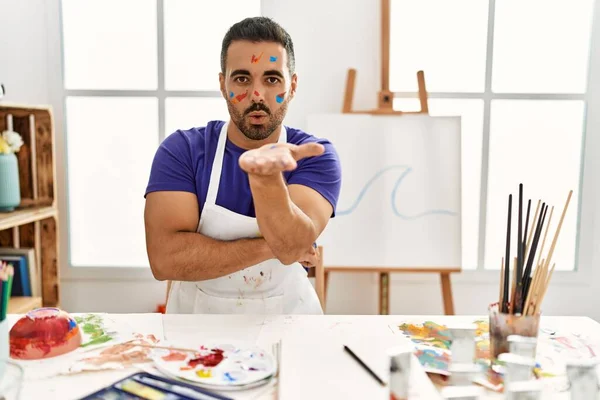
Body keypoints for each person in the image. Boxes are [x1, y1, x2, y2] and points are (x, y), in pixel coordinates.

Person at [143, 16, 342, 315]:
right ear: (223, 84)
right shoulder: (182, 151)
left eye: (272, 79)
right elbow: (165, 261)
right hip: (195, 330)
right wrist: (273, 248)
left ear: (293, 85)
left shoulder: (314, 155)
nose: (257, 95)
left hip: (289, 326)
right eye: (242, 79)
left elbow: (291, 246)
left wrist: (266, 177)